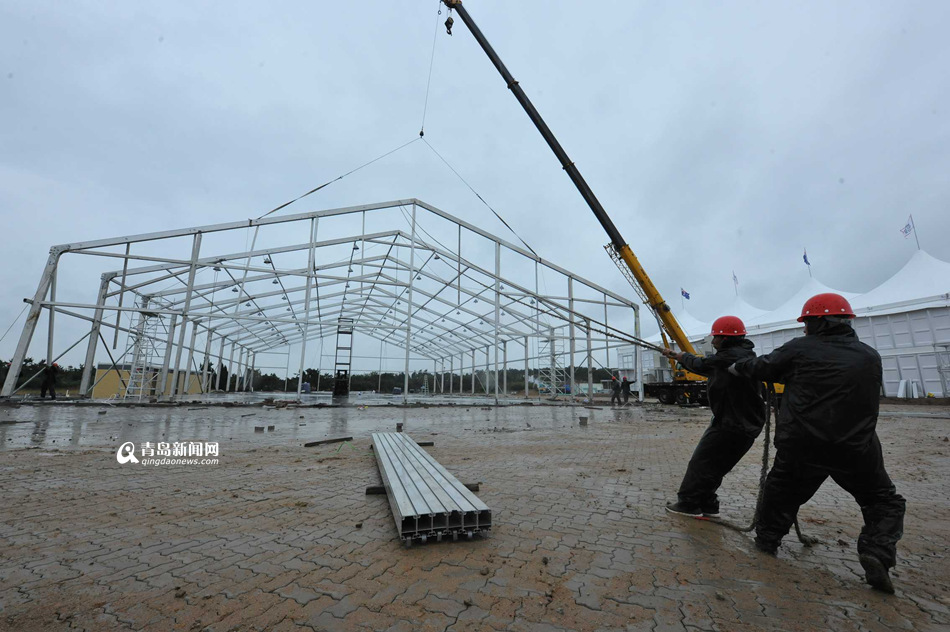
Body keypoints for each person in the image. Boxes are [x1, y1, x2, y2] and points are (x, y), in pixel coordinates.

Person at [730, 293, 905, 594]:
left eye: (807, 324)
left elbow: (762, 367)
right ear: (846, 321)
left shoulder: (800, 350)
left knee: (781, 491)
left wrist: (735, 367)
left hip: (802, 444)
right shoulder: (869, 355)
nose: (805, 330)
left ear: (816, 322)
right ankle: (876, 551)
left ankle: (767, 541)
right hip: (856, 447)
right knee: (884, 502)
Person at [662, 316, 765, 518]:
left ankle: (689, 504)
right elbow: (703, 365)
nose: (713, 341)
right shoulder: (741, 355)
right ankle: (708, 504)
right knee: (714, 466)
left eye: (716, 337)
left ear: (725, 339)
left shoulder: (728, 357)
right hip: (743, 424)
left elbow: (701, 364)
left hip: (731, 424)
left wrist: (681, 356)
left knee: (701, 463)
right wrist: (678, 355)